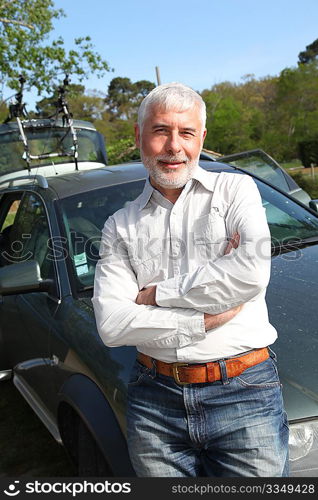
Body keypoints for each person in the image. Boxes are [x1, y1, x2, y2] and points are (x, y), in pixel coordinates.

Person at [92, 82, 289, 477]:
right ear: (138, 136)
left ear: (202, 138)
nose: (173, 147)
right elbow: (112, 325)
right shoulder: (119, 225)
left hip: (244, 391)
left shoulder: (235, 190)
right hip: (154, 400)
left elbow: (250, 273)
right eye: (161, 130)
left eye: (186, 133)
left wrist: (154, 296)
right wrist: (201, 318)